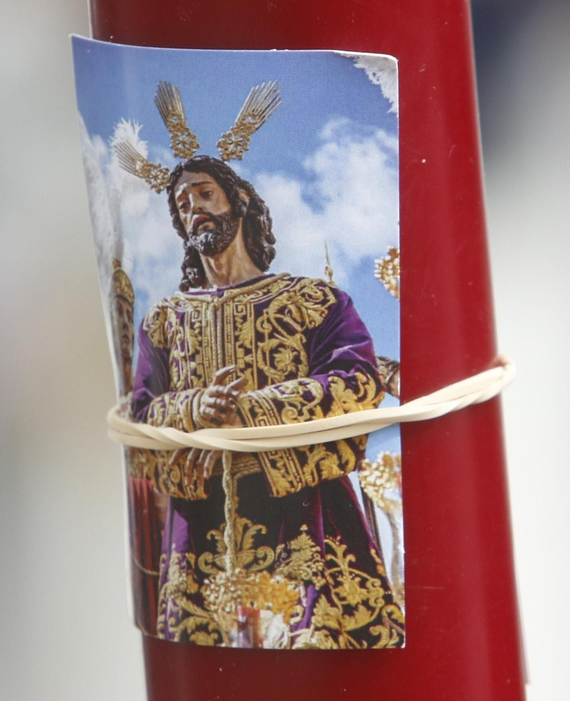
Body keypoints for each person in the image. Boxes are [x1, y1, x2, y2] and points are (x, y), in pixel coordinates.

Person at [126, 143, 404, 649]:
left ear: (240, 202)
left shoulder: (312, 301)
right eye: (184, 204)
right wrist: (195, 407)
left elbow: (357, 378)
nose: (195, 209)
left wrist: (253, 408)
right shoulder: (163, 321)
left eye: (205, 194)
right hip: (202, 518)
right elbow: (142, 409)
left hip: (302, 507)